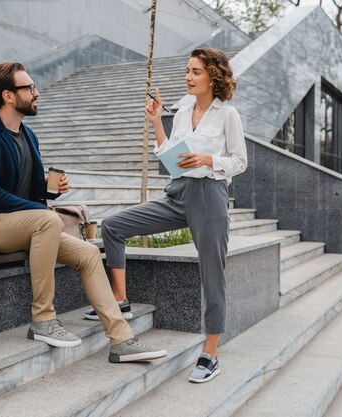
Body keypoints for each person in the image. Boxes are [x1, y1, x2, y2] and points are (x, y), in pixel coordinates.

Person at [0, 62, 166, 363]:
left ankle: (122, 340)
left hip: (27, 223)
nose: (36, 93)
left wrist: (50, 191)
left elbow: (27, 193)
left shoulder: (29, 136)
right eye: (29, 88)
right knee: (47, 219)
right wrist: (42, 210)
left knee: (89, 254)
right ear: (8, 96)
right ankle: (43, 318)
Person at [85, 48, 247, 383]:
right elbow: (170, 156)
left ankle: (210, 354)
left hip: (209, 198)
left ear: (213, 76)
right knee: (114, 226)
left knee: (212, 275)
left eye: (196, 71)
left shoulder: (227, 114)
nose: (188, 77)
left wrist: (207, 160)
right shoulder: (185, 108)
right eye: (187, 70)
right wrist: (157, 120)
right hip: (177, 194)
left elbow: (240, 161)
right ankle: (121, 299)